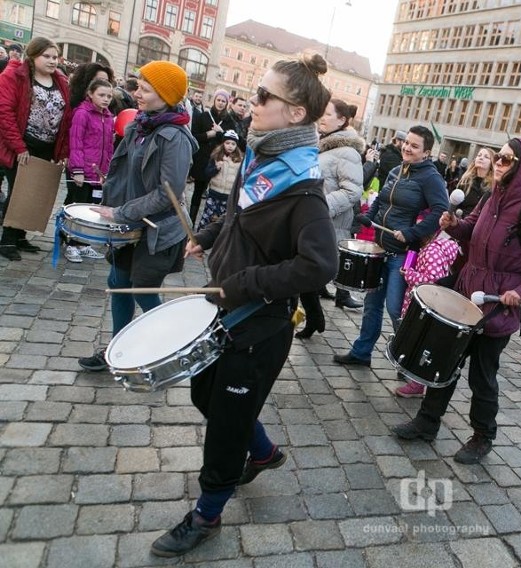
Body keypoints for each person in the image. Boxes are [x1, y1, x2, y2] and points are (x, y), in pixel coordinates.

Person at [151, 53, 339, 558]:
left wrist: (250, 281)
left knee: (226, 422)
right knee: (203, 396)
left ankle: (207, 514)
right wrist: (210, 235)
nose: (250, 103)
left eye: (263, 97)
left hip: (259, 326)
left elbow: (321, 266)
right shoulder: (262, 156)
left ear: (295, 113)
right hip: (223, 304)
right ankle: (264, 452)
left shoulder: (304, 190)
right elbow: (238, 215)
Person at [391, 138, 521, 464]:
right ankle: (427, 422)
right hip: (467, 292)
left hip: (497, 305)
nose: (498, 163)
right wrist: (455, 225)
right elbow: (471, 229)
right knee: (446, 361)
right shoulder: (490, 197)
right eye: (498, 157)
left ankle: (482, 436)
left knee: (482, 376)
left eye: (506, 159)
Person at [77, 61, 197, 371]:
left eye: (145, 89)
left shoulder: (175, 138)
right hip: (130, 225)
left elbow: (166, 193)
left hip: (160, 229)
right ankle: (119, 351)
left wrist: (120, 210)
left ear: (165, 94)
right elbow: (129, 173)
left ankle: (173, 344)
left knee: (141, 289)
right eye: (138, 87)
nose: (137, 94)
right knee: (118, 282)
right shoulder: (142, 124)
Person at [333, 125, 449, 367]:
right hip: (379, 248)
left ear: (427, 152)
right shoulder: (397, 170)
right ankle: (362, 352)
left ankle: (408, 360)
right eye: (407, 142)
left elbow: (440, 211)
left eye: (414, 146)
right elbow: (382, 200)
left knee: (396, 309)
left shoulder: (431, 177)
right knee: (371, 305)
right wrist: (369, 216)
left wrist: (411, 233)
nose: (407, 147)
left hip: (404, 255)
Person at [296, 98, 364, 339]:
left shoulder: (347, 152)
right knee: (304, 276)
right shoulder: (322, 144)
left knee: (303, 274)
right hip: (309, 222)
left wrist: (320, 207)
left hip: (326, 224)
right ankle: (315, 318)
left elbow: (353, 191)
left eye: (327, 114)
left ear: (342, 120)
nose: (321, 118)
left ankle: (312, 319)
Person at [0, 37, 72, 261]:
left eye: (55, 56)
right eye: (46, 56)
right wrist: (18, 146)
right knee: (17, 192)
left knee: (33, 194)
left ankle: (20, 236)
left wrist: (61, 151)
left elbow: (66, 116)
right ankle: (7, 241)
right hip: (21, 145)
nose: (52, 61)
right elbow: (5, 112)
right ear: (33, 56)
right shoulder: (14, 76)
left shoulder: (59, 79)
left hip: (46, 146)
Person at [395, 229, 461, 398]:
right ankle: (416, 380)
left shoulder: (432, 251)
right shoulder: (438, 247)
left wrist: (408, 274)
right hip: (426, 305)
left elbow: (432, 281)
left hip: (425, 306)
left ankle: (417, 383)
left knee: (419, 342)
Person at [64, 77, 115, 262]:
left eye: (109, 96)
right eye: (101, 95)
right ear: (90, 94)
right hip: (82, 171)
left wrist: (107, 170)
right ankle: (70, 244)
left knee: (91, 210)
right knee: (77, 209)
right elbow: (75, 143)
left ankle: (83, 244)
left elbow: (109, 146)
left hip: (98, 173)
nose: (106, 99)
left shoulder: (108, 117)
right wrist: (77, 169)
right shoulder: (82, 113)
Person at [189, 89, 236, 222]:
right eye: (218, 100)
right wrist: (207, 135)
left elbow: (231, 142)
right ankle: (191, 220)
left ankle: (208, 223)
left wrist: (221, 133)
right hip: (202, 159)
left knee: (213, 194)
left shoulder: (229, 121)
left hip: (218, 160)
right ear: (214, 100)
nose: (221, 103)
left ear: (227, 103)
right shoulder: (203, 116)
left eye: (223, 101)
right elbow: (194, 136)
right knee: (198, 192)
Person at [196, 129, 242, 231]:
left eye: (233, 144)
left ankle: (218, 242)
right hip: (214, 194)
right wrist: (215, 168)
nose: (230, 146)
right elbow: (207, 173)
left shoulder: (239, 160)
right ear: (223, 143)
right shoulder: (216, 156)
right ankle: (198, 238)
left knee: (223, 222)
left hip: (228, 196)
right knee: (206, 219)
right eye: (227, 143)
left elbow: (240, 178)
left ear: (236, 146)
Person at [455, 147, 494, 217]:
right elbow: (455, 205)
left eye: (486, 157)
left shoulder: (494, 186)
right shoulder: (465, 181)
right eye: (479, 155)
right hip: (461, 222)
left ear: (492, 163)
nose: (481, 158)